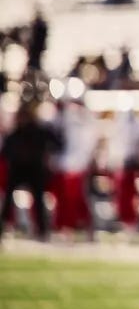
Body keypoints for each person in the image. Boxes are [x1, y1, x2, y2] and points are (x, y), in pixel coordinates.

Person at [0, 101, 62, 241]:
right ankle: (3, 225)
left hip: (35, 171)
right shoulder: (16, 133)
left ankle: (42, 230)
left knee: (38, 201)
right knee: (9, 199)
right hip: (18, 170)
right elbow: (5, 152)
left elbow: (56, 144)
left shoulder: (39, 131)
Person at [52, 80, 99, 239]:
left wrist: (84, 160)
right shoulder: (61, 117)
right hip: (64, 162)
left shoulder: (84, 118)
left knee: (74, 198)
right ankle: (65, 227)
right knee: (63, 198)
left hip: (76, 163)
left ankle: (75, 227)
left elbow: (87, 143)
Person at [110, 93, 139, 236]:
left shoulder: (138, 125)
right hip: (121, 164)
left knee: (130, 195)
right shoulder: (118, 124)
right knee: (121, 195)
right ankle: (124, 221)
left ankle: (130, 222)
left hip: (130, 165)